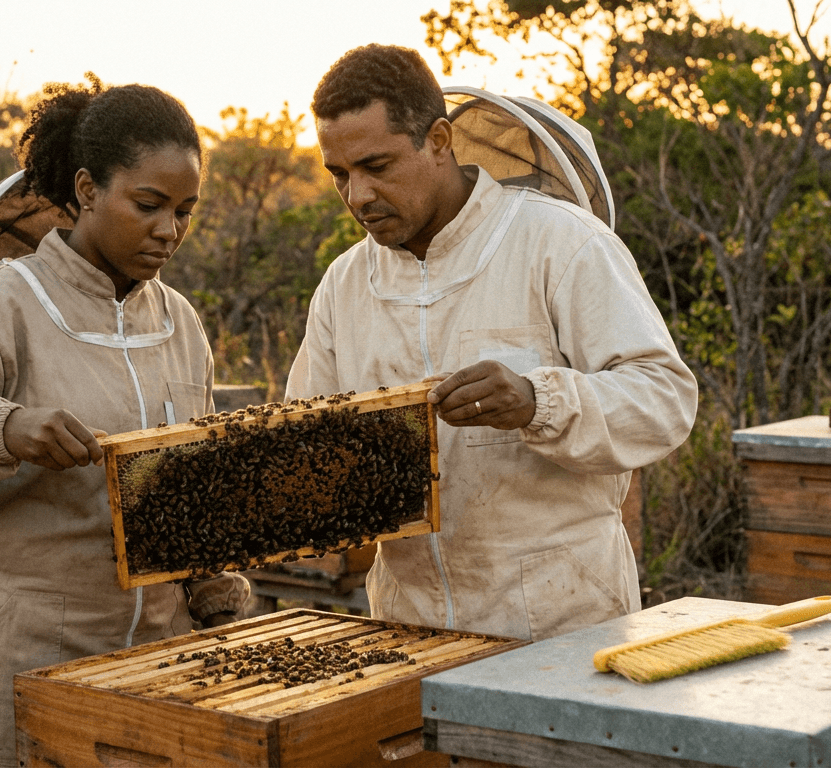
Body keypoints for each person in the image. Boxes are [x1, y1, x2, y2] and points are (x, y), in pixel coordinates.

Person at [0, 77, 249, 768]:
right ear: (88, 189)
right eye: (149, 205)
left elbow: (191, 484)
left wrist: (214, 589)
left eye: (186, 211)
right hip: (16, 654)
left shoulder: (180, 321)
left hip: (154, 665)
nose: (170, 230)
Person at [287, 44, 698, 642]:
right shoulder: (345, 284)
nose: (358, 197)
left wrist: (539, 401)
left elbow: (665, 400)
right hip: (408, 624)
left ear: (438, 140)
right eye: (339, 175)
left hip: (561, 623)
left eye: (376, 166)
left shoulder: (560, 243)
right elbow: (306, 441)